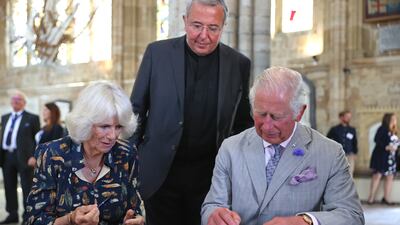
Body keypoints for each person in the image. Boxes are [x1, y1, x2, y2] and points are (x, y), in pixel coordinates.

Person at [130, 1, 253, 225]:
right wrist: (132, 164)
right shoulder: (157, 54)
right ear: (185, 22)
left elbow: (243, 124)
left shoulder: (239, 64)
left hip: (211, 181)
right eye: (197, 25)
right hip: (160, 176)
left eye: (213, 28)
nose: (203, 35)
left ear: (223, 26)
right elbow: (135, 114)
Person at [201, 67, 364, 225]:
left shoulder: (330, 153)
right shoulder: (230, 148)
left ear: (299, 112)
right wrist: (214, 215)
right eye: (260, 114)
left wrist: (304, 222)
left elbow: (351, 215)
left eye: (276, 117)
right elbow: (212, 205)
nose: (267, 126)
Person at [24, 82, 144, 225]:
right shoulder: (51, 154)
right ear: (85, 123)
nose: (113, 135)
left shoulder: (127, 153)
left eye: (118, 126)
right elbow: (33, 221)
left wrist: (133, 219)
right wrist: (70, 219)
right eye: (104, 126)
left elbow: (134, 207)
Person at [0, 90, 40, 224]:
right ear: (11, 102)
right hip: (7, 156)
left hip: (25, 158)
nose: (16, 101)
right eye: (14, 99)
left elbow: (37, 140)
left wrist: (34, 156)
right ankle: (12, 214)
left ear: (24, 102)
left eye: (19, 99)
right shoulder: (5, 117)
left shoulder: (32, 118)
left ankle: (27, 216)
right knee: (9, 186)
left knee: (27, 187)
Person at [367, 113, 398, 205]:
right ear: (387, 119)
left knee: (390, 177)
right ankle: (371, 198)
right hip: (381, 157)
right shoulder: (382, 129)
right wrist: (386, 147)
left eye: (395, 119)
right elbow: (377, 140)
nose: (394, 120)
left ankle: (386, 198)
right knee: (377, 176)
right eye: (393, 119)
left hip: (391, 158)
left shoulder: (394, 130)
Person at [327, 110, 358, 176]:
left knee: (349, 174)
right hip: (338, 155)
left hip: (349, 155)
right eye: (347, 116)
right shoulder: (334, 129)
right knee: (338, 174)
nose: (349, 118)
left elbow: (354, 142)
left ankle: (348, 186)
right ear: (341, 117)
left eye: (350, 117)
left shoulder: (352, 130)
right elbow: (327, 140)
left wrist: (355, 153)